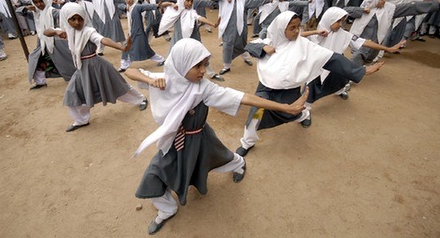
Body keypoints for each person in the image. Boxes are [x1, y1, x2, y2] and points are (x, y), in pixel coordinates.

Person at [126, 38, 309, 235]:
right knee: (154, 175)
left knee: (220, 158)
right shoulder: (164, 79)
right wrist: (150, 80)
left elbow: (243, 97)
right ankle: (167, 209)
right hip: (172, 142)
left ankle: (239, 164)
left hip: (199, 139)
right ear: (181, 64)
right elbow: (130, 71)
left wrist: (285, 107)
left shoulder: (203, 88)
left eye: (205, 64)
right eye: (197, 66)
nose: (203, 70)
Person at [236, 11, 382, 157]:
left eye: (298, 27)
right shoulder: (269, 41)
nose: (296, 31)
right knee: (255, 116)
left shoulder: (305, 46)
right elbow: (249, 46)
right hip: (265, 90)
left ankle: (304, 115)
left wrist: (361, 71)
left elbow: (332, 58)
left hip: (289, 91)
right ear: (281, 28)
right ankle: (247, 142)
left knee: (291, 113)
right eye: (292, 28)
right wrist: (262, 48)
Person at [44, 3, 148, 132]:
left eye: (80, 18)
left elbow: (102, 39)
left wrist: (121, 47)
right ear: (66, 19)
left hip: (97, 66)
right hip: (82, 69)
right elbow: (46, 32)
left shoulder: (88, 31)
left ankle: (141, 99)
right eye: (73, 19)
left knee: (118, 87)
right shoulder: (67, 32)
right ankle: (81, 120)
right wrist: (57, 31)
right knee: (73, 94)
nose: (77, 22)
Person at [157, 0, 223, 81]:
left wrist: (213, 24)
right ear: (182, 0)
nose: (190, 3)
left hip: (193, 40)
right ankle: (168, 76)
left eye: (191, 1)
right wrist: (171, 4)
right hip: (179, 40)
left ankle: (211, 74)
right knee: (172, 58)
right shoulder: (176, 11)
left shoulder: (192, 12)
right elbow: (161, 4)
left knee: (201, 57)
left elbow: (200, 18)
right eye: (187, 0)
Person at [210, 0, 271, 75]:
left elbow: (256, 1)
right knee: (227, 46)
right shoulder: (224, 0)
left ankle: (246, 58)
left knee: (242, 44)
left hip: (241, 28)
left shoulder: (243, 1)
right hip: (228, 28)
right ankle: (226, 66)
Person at [26, 0, 76, 89]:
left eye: (40, 1)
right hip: (42, 42)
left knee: (66, 60)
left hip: (55, 42)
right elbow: (19, 12)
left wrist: (58, 31)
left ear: (44, 0)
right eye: (35, 2)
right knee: (37, 59)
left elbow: (63, 16)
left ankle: (74, 78)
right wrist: (26, 8)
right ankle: (40, 82)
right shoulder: (36, 13)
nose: (38, 4)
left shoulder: (52, 11)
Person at [117, 0, 165, 72]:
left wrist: (156, 6)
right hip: (132, 33)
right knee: (129, 49)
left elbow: (146, 6)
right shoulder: (128, 8)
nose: (128, 1)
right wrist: (125, 8)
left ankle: (161, 60)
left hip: (138, 34)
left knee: (143, 50)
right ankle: (123, 66)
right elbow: (119, 5)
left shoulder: (137, 7)